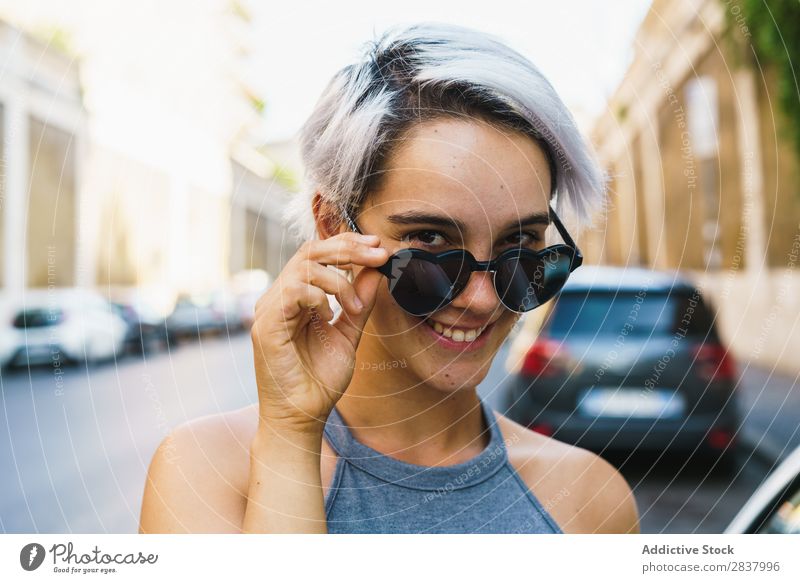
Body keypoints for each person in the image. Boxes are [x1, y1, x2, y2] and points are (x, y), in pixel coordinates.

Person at [139, 21, 640, 534]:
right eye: (429, 242)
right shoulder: (207, 474)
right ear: (334, 227)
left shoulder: (589, 500)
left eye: (520, 247)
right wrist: (290, 434)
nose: (483, 299)